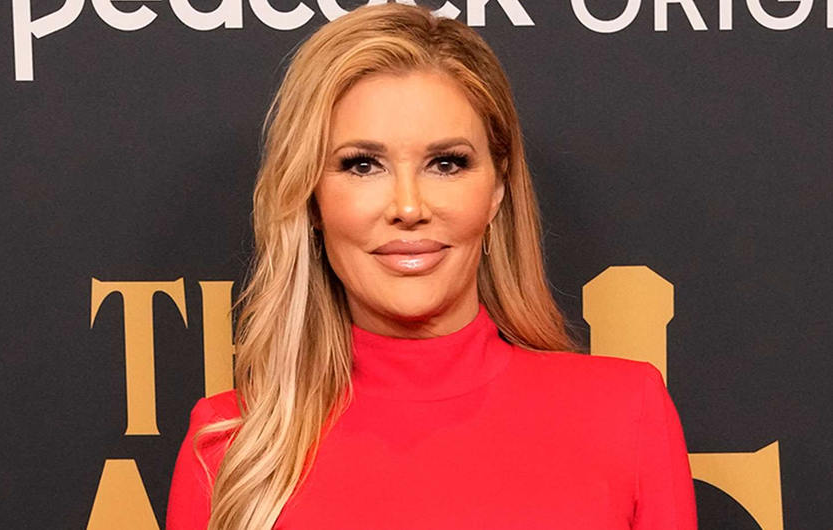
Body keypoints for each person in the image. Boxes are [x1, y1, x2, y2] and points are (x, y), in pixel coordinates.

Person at [166, 3, 697, 529]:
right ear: (311, 199)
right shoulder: (230, 444)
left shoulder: (624, 413)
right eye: (362, 165)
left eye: (446, 164)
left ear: (497, 189)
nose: (408, 206)